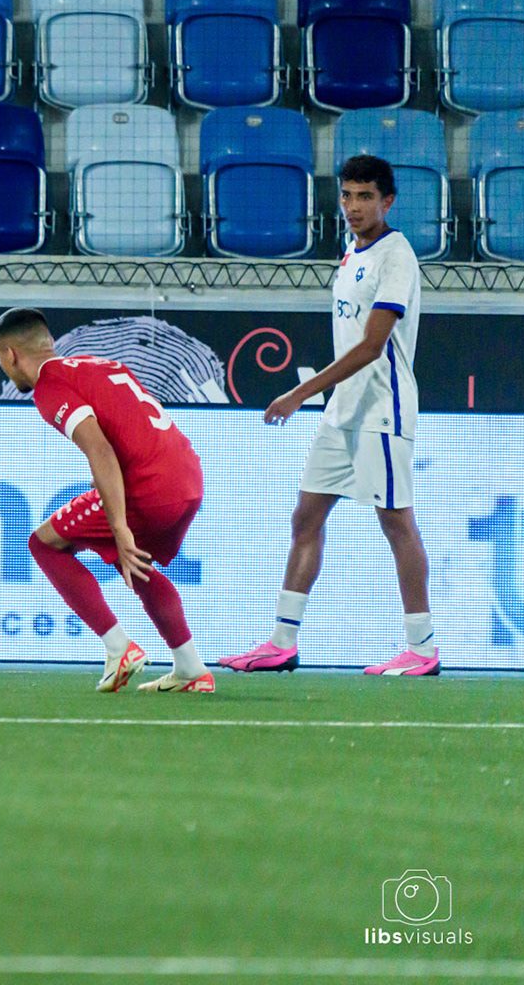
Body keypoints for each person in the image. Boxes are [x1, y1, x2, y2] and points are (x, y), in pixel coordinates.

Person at [219, 155, 436, 677]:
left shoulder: (397, 255)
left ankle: (423, 648)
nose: (354, 206)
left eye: (365, 197)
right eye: (347, 196)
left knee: (395, 523)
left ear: (388, 201)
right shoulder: (349, 252)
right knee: (305, 519)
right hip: (341, 414)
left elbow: (371, 346)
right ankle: (281, 642)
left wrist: (300, 393)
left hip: (381, 412)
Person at [0, 307, 214, 694]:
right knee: (130, 560)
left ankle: (118, 648)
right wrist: (120, 533)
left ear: (10, 354)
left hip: (150, 486)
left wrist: (120, 527)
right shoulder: (94, 363)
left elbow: (101, 451)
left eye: (0, 361)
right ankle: (191, 669)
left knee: (44, 544)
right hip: (188, 476)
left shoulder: (49, 389)